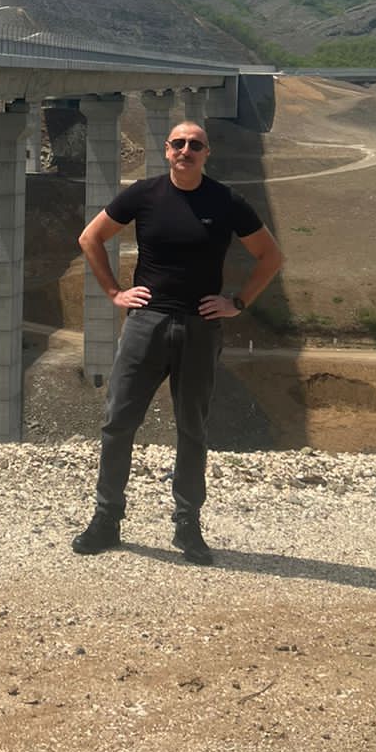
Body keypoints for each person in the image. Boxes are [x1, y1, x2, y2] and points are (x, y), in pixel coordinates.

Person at [72, 119, 283, 565]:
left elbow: (271, 256)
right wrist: (114, 292)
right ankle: (106, 518)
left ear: (206, 154)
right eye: (179, 143)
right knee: (118, 422)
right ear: (167, 150)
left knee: (193, 429)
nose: (186, 150)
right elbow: (90, 238)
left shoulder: (226, 201)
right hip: (145, 324)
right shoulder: (143, 194)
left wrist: (238, 303)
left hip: (200, 328)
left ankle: (188, 524)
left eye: (195, 145)